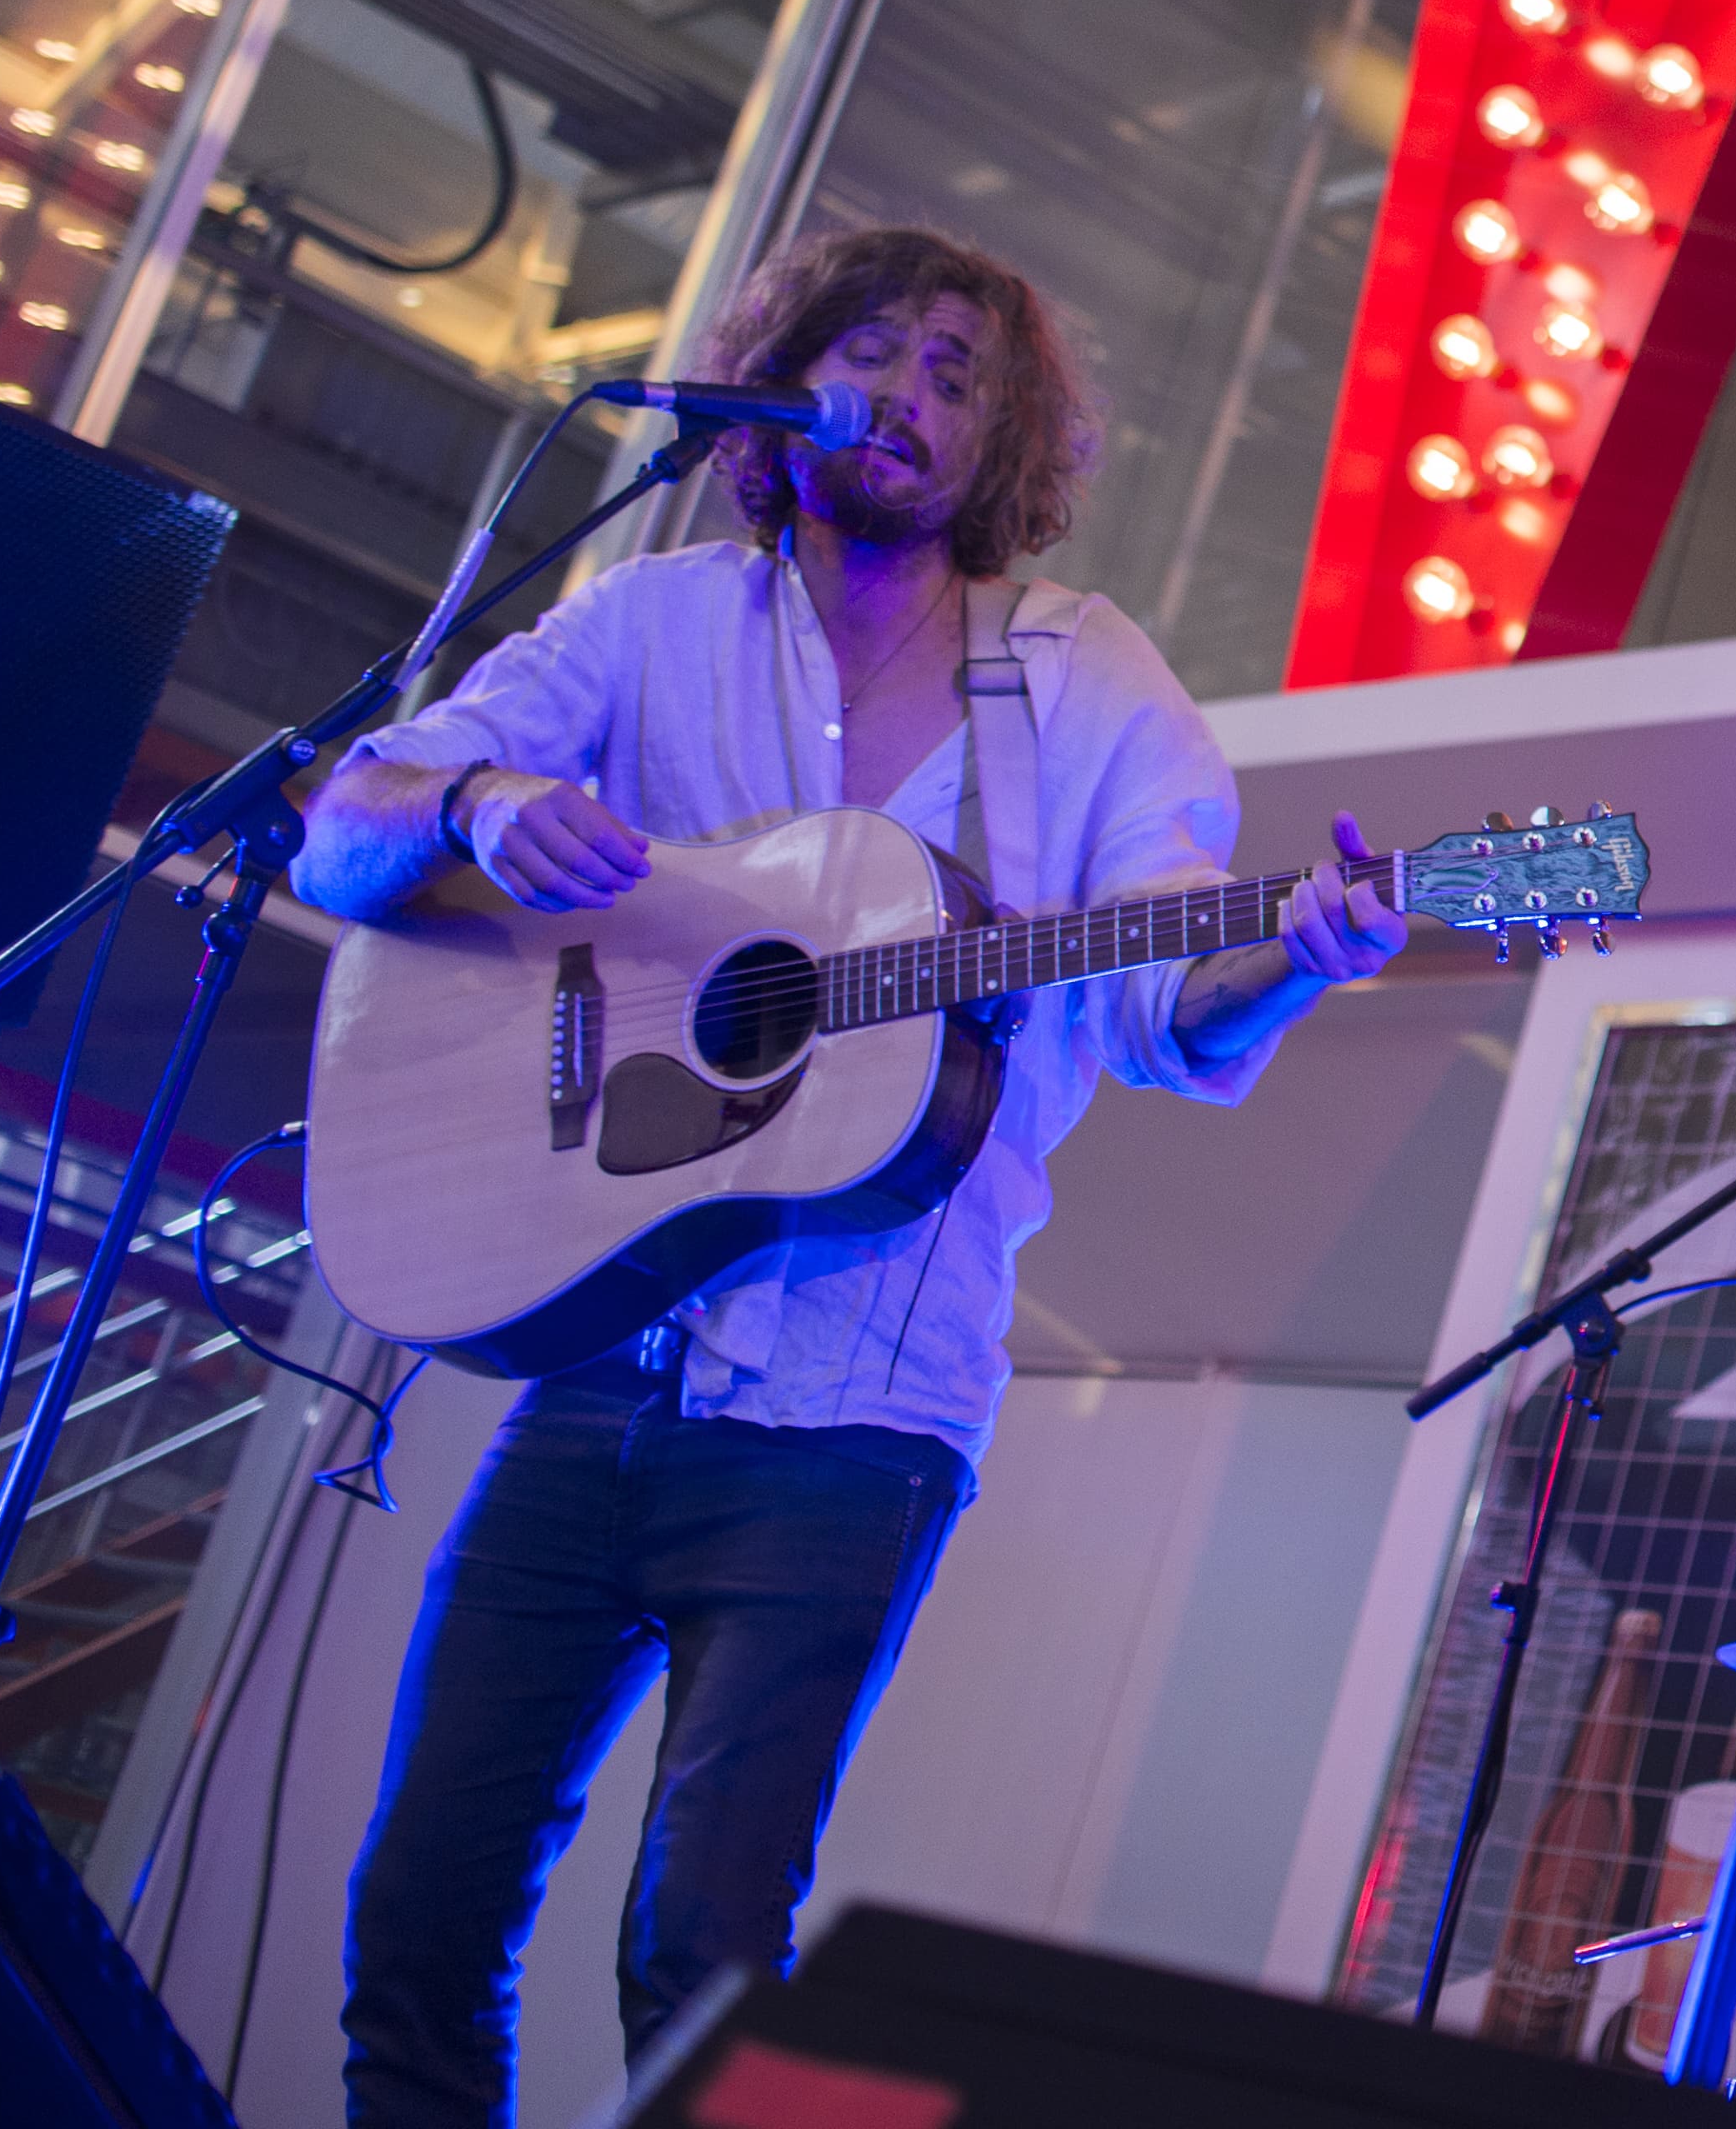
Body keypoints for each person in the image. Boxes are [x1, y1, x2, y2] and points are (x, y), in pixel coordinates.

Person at [299, 227, 1413, 2127]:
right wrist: (478, 804)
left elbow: (1159, 991)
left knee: (701, 1951)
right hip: (599, 1376)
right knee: (416, 1920)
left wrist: (1293, 948)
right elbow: (344, 831)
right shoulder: (646, 624)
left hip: (858, 1416)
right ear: (778, 372)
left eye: (954, 371)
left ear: (1007, 438)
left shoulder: (1077, 680)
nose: (898, 390)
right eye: (868, 345)